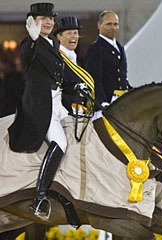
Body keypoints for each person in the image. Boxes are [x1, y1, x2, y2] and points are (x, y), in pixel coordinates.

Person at [8, 2, 67, 220]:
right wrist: (34, 41)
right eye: (44, 19)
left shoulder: (52, 44)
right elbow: (29, 59)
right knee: (61, 143)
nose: (49, 22)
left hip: (58, 104)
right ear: (33, 22)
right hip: (41, 106)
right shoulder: (28, 43)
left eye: (51, 19)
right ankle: (40, 197)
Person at [84, 10, 132, 112]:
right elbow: (95, 79)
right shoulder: (96, 49)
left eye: (116, 24)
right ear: (99, 25)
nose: (113, 28)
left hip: (122, 102)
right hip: (106, 104)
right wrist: (101, 102)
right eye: (109, 24)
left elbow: (122, 76)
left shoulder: (120, 48)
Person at [53, 16, 94, 115]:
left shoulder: (77, 61)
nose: (73, 36)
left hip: (82, 112)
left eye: (75, 33)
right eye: (69, 33)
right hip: (66, 113)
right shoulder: (56, 60)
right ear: (59, 36)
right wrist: (72, 106)